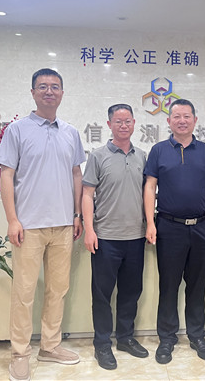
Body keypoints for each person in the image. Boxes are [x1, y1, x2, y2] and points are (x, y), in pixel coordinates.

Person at [0, 68, 86, 381]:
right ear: (33, 92)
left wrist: (77, 215)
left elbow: (76, 174)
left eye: (55, 87)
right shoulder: (17, 130)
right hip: (28, 226)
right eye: (43, 86)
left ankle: (50, 346)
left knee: (58, 290)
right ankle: (20, 353)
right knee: (23, 293)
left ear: (62, 93)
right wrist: (12, 219)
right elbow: (6, 175)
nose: (49, 91)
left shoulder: (70, 132)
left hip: (63, 226)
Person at [143, 98, 205, 364]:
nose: (182, 121)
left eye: (186, 116)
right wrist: (150, 222)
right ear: (168, 121)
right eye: (176, 116)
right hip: (169, 227)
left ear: (195, 120)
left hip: (202, 227)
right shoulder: (158, 150)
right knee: (168, 286)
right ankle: (167, 338)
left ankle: (197, 336)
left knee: (197, 285)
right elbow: (150, 187)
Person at [82, 104, 149, 370]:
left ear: (134, 124)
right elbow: (87, 195)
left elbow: (148, 193)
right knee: (102, 294)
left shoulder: (142, 156)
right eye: (118, 121)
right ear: (109, 124)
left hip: (136, 237)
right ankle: (102, 344)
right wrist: (89, 229)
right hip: (105, 238)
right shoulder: (98, 156)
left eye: (128, 121)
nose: (123, 125)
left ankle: (125, 338)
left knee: (131, 292)